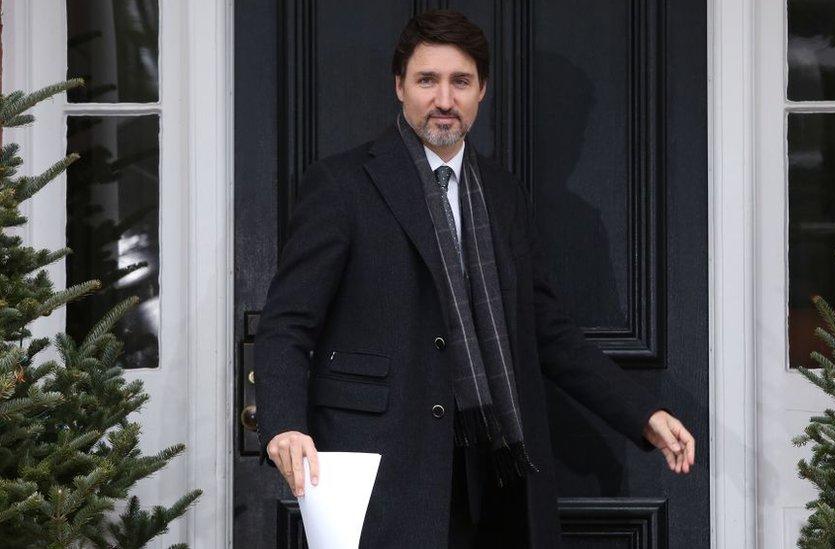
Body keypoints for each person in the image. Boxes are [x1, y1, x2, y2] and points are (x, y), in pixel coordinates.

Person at [253, 9, 695, 548]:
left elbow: (549, 331)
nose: (444, 99)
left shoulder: (503, 195)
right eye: (427, 80)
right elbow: (288, 323)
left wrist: (642, 414)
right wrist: (283, 423)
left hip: (497, 470)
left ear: (481, 90)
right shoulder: (342, 186)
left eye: (460, 81)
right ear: (399, 86)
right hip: (386, 465)